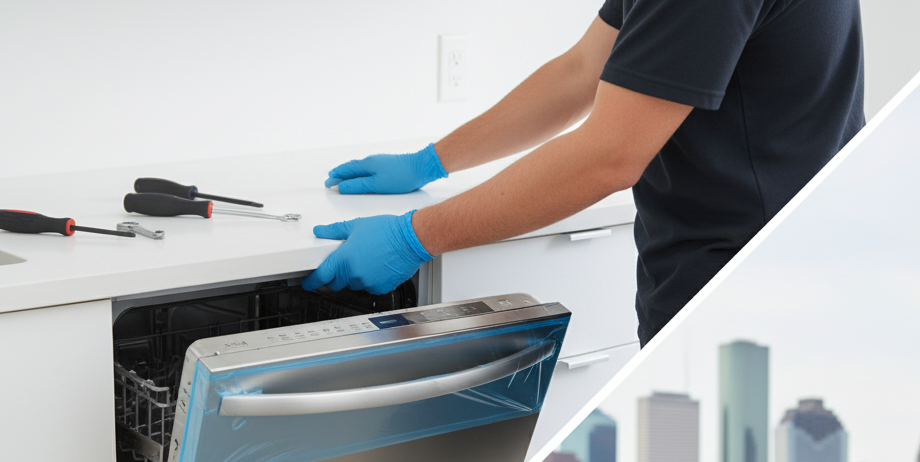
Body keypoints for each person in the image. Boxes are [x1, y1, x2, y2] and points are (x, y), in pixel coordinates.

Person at [302, 1, 864, 345]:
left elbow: (609, 156)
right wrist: (433, 160)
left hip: (739, 285)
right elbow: (584, 70)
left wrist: (414, 236)